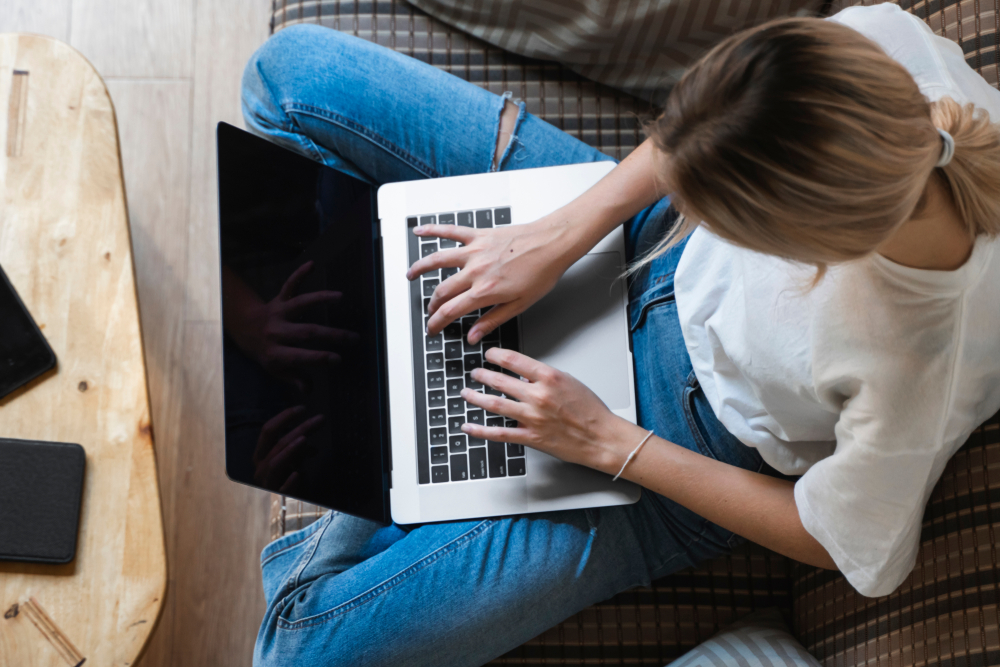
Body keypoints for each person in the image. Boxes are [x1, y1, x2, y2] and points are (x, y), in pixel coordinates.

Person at [238, 4, 1000, 665]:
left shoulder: (918, 359)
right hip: (633, 234)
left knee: (300, 652)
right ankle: (405, 402)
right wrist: (561, 234)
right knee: (286, 77)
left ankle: (385, 428)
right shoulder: (875, 45)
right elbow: (701, 136)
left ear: (808, 251)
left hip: (676, 442)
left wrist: (608, 442)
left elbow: (843, 545)